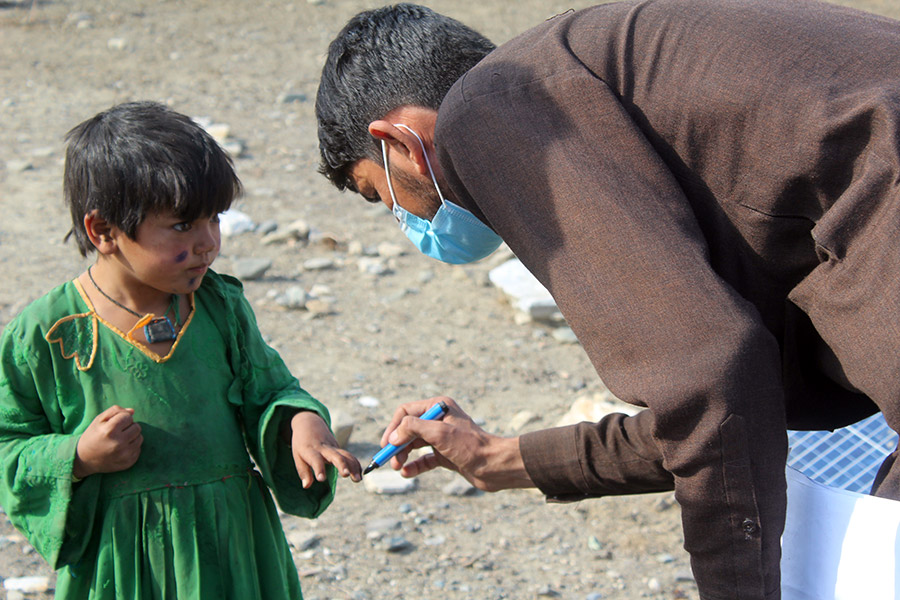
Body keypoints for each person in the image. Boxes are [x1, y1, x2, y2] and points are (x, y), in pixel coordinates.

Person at [315, 1, 900, 598]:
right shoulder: (597, 83)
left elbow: (707, 381)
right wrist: (502, 458)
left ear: (401, 140)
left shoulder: (484, 108)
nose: (403, 219)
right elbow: (724, 412)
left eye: (378, 193)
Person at [0, 101, 361, 599]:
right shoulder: (47, 333)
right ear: (102, 231)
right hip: (122, 563)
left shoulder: (220, 306)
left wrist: (300, 422)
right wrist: (77, 457)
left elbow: (271, 389)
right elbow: (9, 444)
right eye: (182, 226)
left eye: (214, 219)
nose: (209, 242)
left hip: (231, 544)